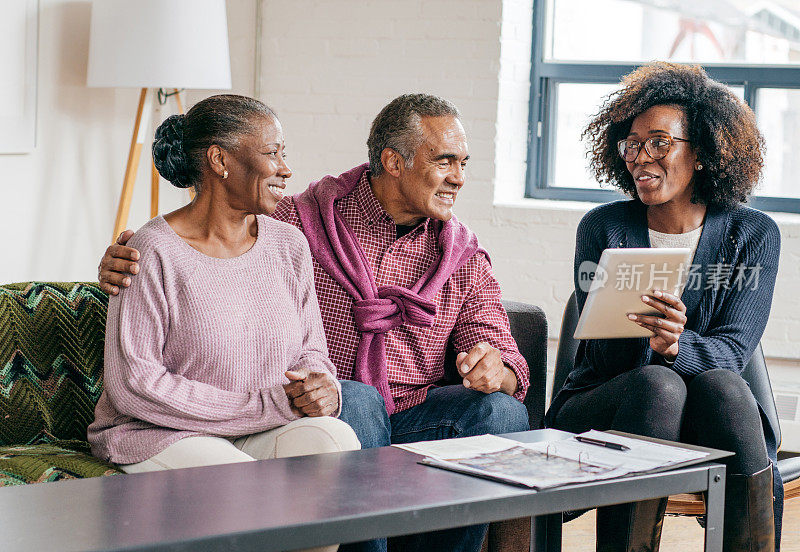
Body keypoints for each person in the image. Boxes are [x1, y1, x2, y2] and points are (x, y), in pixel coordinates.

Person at [99, 93, 531, 552]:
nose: (459, 178)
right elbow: (213, 230)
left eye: (464, 163)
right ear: (393, 161)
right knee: (358, 402)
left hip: (412, 419)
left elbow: (496, 343)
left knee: (504, 411)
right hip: (340, 412)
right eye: (446, 161)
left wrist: (495, 367)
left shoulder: (460, 254)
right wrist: (121, 259)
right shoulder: (306, 219)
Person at [89, 95, 360, 552]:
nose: (285, 168)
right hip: (162, 434)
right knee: (241, 483)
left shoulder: (288, 245)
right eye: (272, 153)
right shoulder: (151, 252)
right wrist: (260, 406)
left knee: (335, 444)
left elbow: (311, 349)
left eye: (284, 153)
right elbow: (135, 383)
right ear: (220, 160)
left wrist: (323, 386)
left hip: (259, 427)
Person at [545, 62, 781, 552]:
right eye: (632, 144)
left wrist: (676, 346)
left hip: (710, 414)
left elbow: (734, 352)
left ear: (701, 152)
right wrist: (649, 346)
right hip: (608, 405)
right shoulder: (603, 228)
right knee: (658, 383)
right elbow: (600, 360)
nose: (640, 157)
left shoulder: (753, 234)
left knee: (721, 384)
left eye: (658, 142)